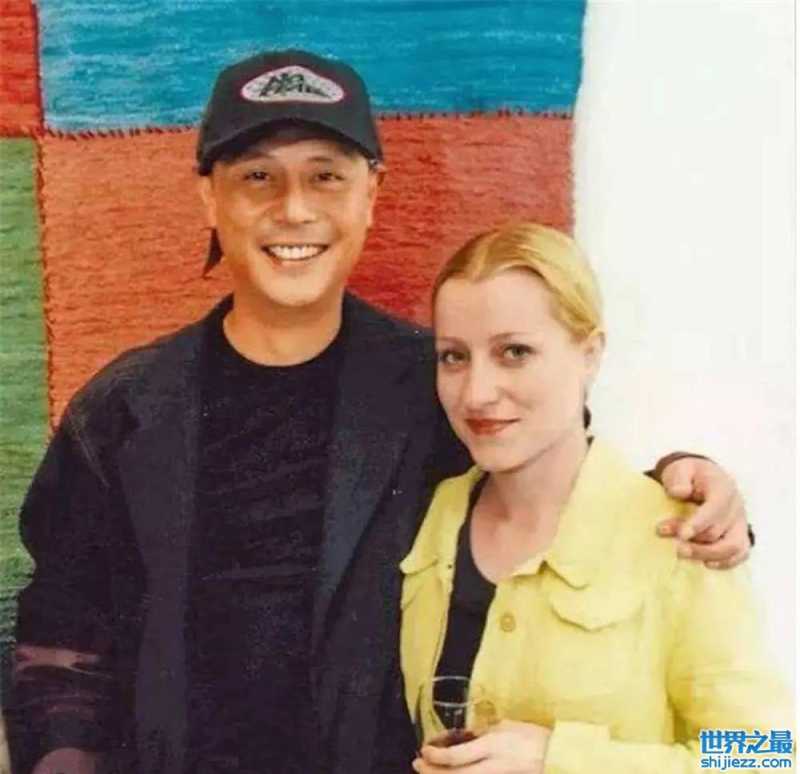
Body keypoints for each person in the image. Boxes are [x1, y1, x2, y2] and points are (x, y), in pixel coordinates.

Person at [8, 50, 751, 774]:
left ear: (372, 192)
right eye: (257, 176)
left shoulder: (438, 391)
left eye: (326, 176)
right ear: (209, 196)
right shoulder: (125, 412)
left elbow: (775, 750)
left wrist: (682, 482)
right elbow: (59, 647)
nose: (293, 208)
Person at [402, 223, 790, 774]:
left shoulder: (680, 537)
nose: (477, 393)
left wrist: (559, 760)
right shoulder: (429, 515)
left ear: (590, 353)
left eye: (514, 352)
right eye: (454, 357)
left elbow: (770, 755)